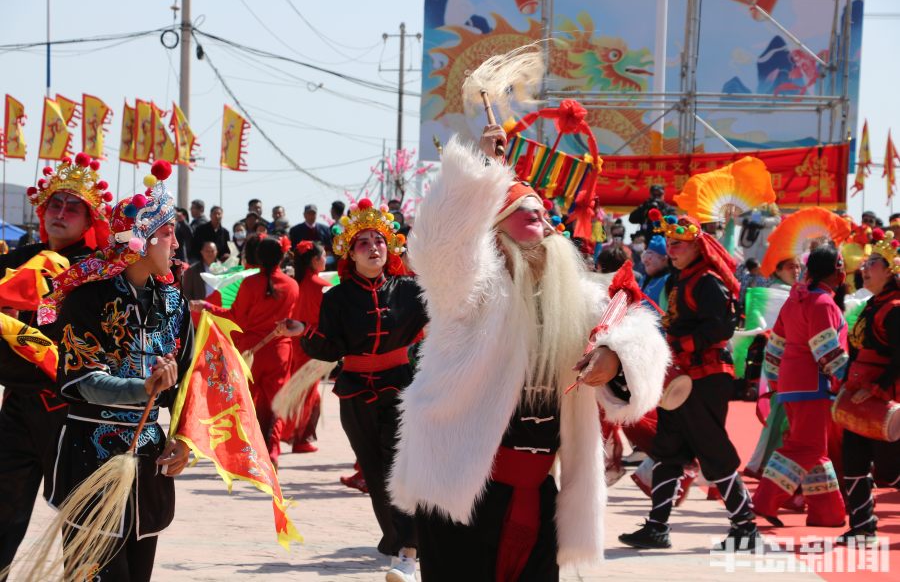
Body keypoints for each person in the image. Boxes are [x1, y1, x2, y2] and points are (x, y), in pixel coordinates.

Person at [388, 129, 667, 582]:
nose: (539, 221)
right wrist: (484, 175)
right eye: (521, 213)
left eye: (541, 215)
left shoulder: (575, 298)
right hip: (463, 487)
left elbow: (642, 335)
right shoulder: (469, 296)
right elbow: (438, 250)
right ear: (492, 236)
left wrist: (614, 357)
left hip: (541, 490)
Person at [39, 160, 193, 581]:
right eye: (167, 234)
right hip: (91, 452)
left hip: (149, 459)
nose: (175, 245)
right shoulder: (89, 300)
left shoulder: (174, 304)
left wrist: (184, 439)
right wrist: (143, 387)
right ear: (140, 242)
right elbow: (82, 379)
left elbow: (187, 382)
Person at [278, 198, 428, 582]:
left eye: (379, 240)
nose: (374, 247)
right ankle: (396, 539)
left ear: (389, 247)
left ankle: (408, 552)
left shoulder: (411, 291)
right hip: (355, 393)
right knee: (375, 474)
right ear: (351, 253)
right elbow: (331, 348)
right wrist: (304, 333)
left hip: (401, 391)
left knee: (400, 468)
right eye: (364, 242)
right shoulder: (337, 298)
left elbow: (445, 316)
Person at [0, 153, 113, 578]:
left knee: (79, 521)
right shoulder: (15, 260)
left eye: (73, 207)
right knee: (2, 513)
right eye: (55, 204)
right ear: (42, 210)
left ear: (90, 220)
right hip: (16, 407)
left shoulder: (99, 272)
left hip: (74, 413)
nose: (60, 213)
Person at [620, 210, 761, 551]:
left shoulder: (707, 280)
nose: (672, 249)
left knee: (710, 447)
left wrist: (682, 344)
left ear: (697, 246)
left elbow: (722, 327)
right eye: (670, 243)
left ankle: (746, 525)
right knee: (669, 450)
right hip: (682, 377)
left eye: (679, 243)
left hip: (706, 377)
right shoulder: (682, 279)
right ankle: (657, 527)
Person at [752, 245, 848, 528]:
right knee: (804, 448)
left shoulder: (796, 300)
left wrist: (774, 382)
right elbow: (827, 350)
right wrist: (848, 380)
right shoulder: (822, 303)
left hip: (792, 385)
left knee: (815, 451)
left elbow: (775, 348)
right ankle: (764, 500)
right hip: (813, 385)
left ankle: (827, 514)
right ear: (836, 271)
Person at [191, 236, 298, 466]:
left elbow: (234, 317)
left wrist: (207, 306)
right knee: (275, 403)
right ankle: (272, 450)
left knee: (246, 403)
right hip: (279, 351)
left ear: (257, 257)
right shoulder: (292, 286)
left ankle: (250, 451)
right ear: (282, 256)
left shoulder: (248, 284)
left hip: (250, 352)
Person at [836, 229, 900, 544]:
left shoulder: (895, 308)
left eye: (874, 262)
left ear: (891, 270)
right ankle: (862, 525)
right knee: (854, 458)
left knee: (891, 466)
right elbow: (858, 350)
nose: (865, 266)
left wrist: (876, 389)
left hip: (885, 398)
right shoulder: (873, 305)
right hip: (860, 394)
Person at [284, 240, 331, 453]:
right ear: (314, 260)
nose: (325, 259)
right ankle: (299, 438)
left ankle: (296, 435)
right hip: (314, 342)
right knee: (308, 393)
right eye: (323, 256)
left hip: (295, 342)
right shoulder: (322, 287)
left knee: (303, 389)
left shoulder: (295, 283)